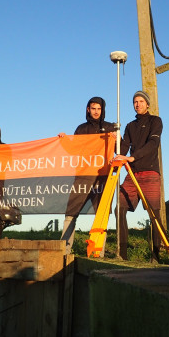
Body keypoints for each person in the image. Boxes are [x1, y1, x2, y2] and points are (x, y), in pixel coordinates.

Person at [59, 97, 116, 254]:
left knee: (101, 214)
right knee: (71, 211)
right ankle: (65, 251)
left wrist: (116, 140)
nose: (96, 111)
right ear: (88, 109)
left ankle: (98, 252)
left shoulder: (110, 127)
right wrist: (64, 141)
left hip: (103, 176)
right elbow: (74, 150)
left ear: (102, 110)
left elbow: (119, 150)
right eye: (93, 108)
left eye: (99, 109)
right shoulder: (81, 129)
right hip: (83, 175)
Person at [112, 90, 163, 261]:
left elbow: (153, 144)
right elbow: (122, 150)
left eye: (141, 101)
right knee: (119, 208)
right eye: (135, 101)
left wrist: (133, 157)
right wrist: (116, 140)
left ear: (147, 104)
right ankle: (122, 254)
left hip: (150, 172)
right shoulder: (130, 126)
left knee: (154, 214)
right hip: (132, 174)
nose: (138, 104)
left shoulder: (155, 121)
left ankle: (156, 256)